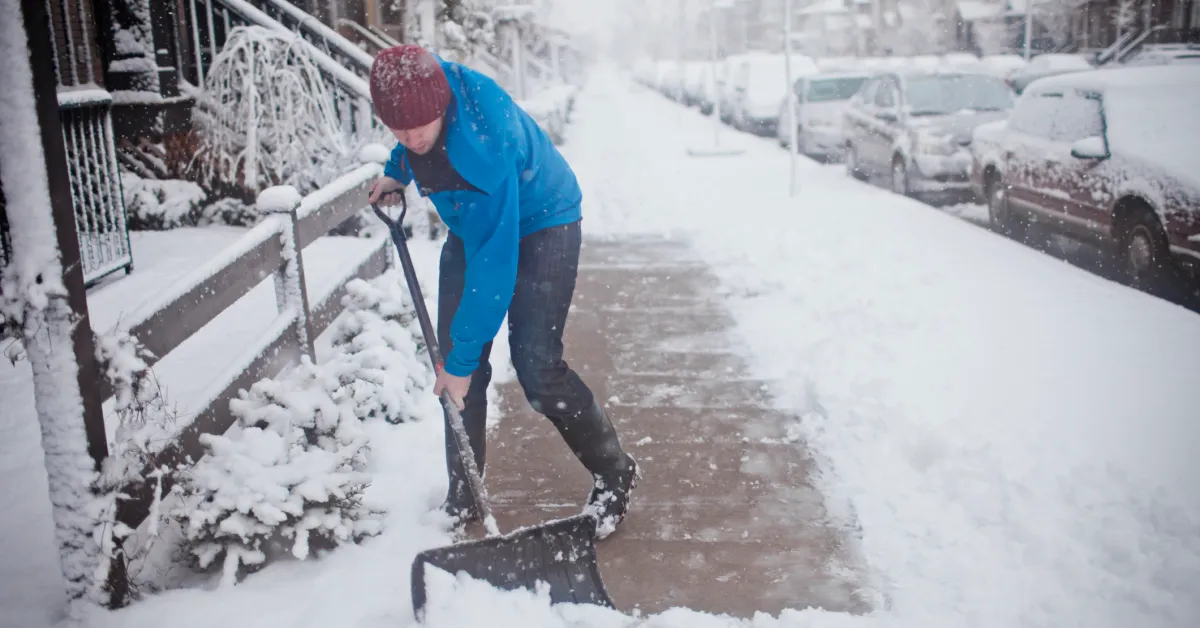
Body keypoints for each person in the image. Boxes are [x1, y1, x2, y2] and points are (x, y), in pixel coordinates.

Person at [366, 45, 638, 539]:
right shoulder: (418, 87)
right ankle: (464, 494)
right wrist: (397, 167)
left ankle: (615, 472)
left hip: (543, 219)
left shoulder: (483, 146)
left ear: (442, 106)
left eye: (419, 127)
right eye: (396, 130)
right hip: (476, 224)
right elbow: (410, 137)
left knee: (536, 366)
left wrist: (465, 360)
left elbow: (494, 267)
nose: (409, 137)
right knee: (453, 368)